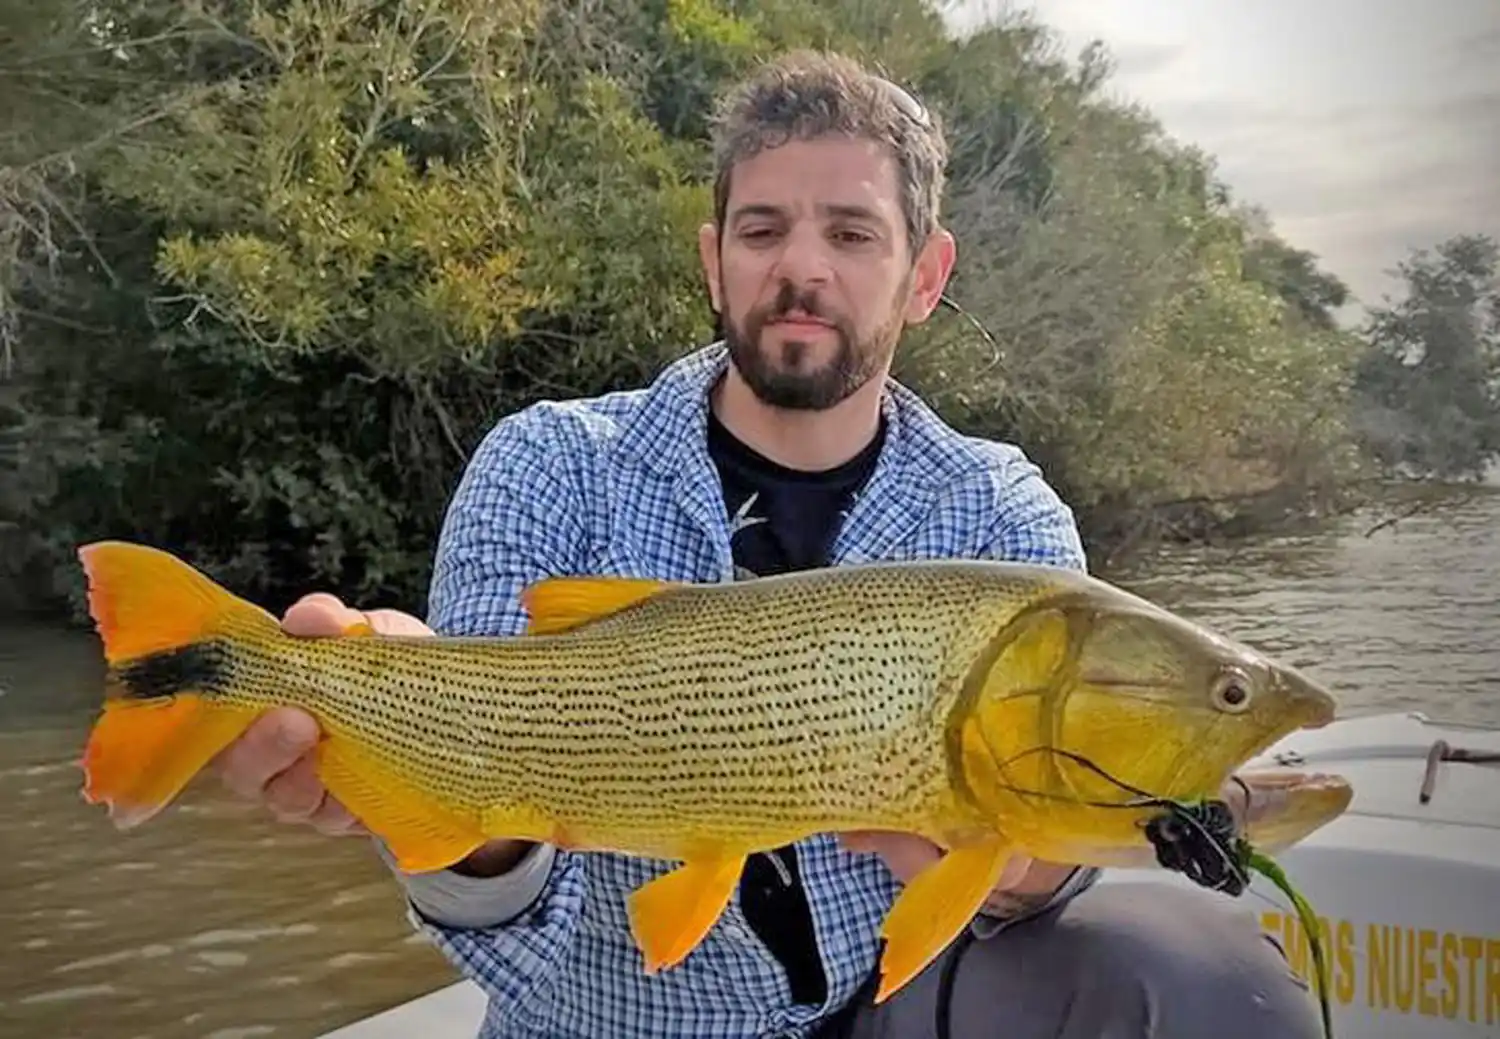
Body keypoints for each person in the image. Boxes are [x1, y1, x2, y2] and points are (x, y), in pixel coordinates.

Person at [211, 50, 1323, 1039]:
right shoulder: (546, 463)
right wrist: (417, 766)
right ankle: (207, 664)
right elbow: (505, 914)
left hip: (882, 1006)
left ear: (925, 274)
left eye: (850, 233)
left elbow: (1039, 889)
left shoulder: (1000, 512)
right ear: (714, 260)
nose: (804, 268)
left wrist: (1018, 876)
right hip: (606, 1023)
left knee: (1209, 972)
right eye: (762, 229)